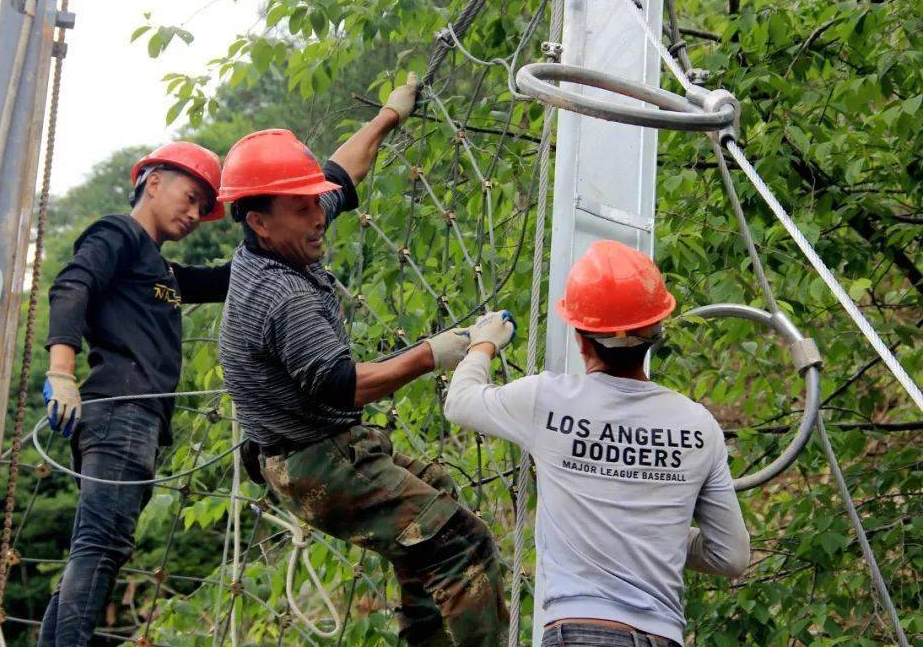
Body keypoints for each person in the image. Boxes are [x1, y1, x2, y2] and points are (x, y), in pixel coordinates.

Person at [217, 74, 508, 647]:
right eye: (301, 210)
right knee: (459, 541)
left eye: (312, 202)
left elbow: (341, 174)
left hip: (326, 444)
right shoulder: (280, 294)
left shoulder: (288, 223)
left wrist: (388, 116)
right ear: (258, 221)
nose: (317, 215)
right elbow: (345, 387)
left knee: (435, 498)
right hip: (310, 464)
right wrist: (434, 354)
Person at [445, 240, 750, 647]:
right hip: (663, 636)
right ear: (656, 332)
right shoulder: (698, 426)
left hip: (579, 630)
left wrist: (484, 343)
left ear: (581, 338)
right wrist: (657, 529)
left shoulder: (546, 401)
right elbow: (731, 556)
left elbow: (460, 402)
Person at [39, 141, 232, 645]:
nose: (194, 214)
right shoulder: (119, 234)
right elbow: (72, 284)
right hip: (120, 411)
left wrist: (288, 210)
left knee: (100, 545)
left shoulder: (158, 271)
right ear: (153, 182)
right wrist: (62, 368)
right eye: (190, 198)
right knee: (101, 545)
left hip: (135, 418)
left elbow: (228, 279)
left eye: (203, 208)